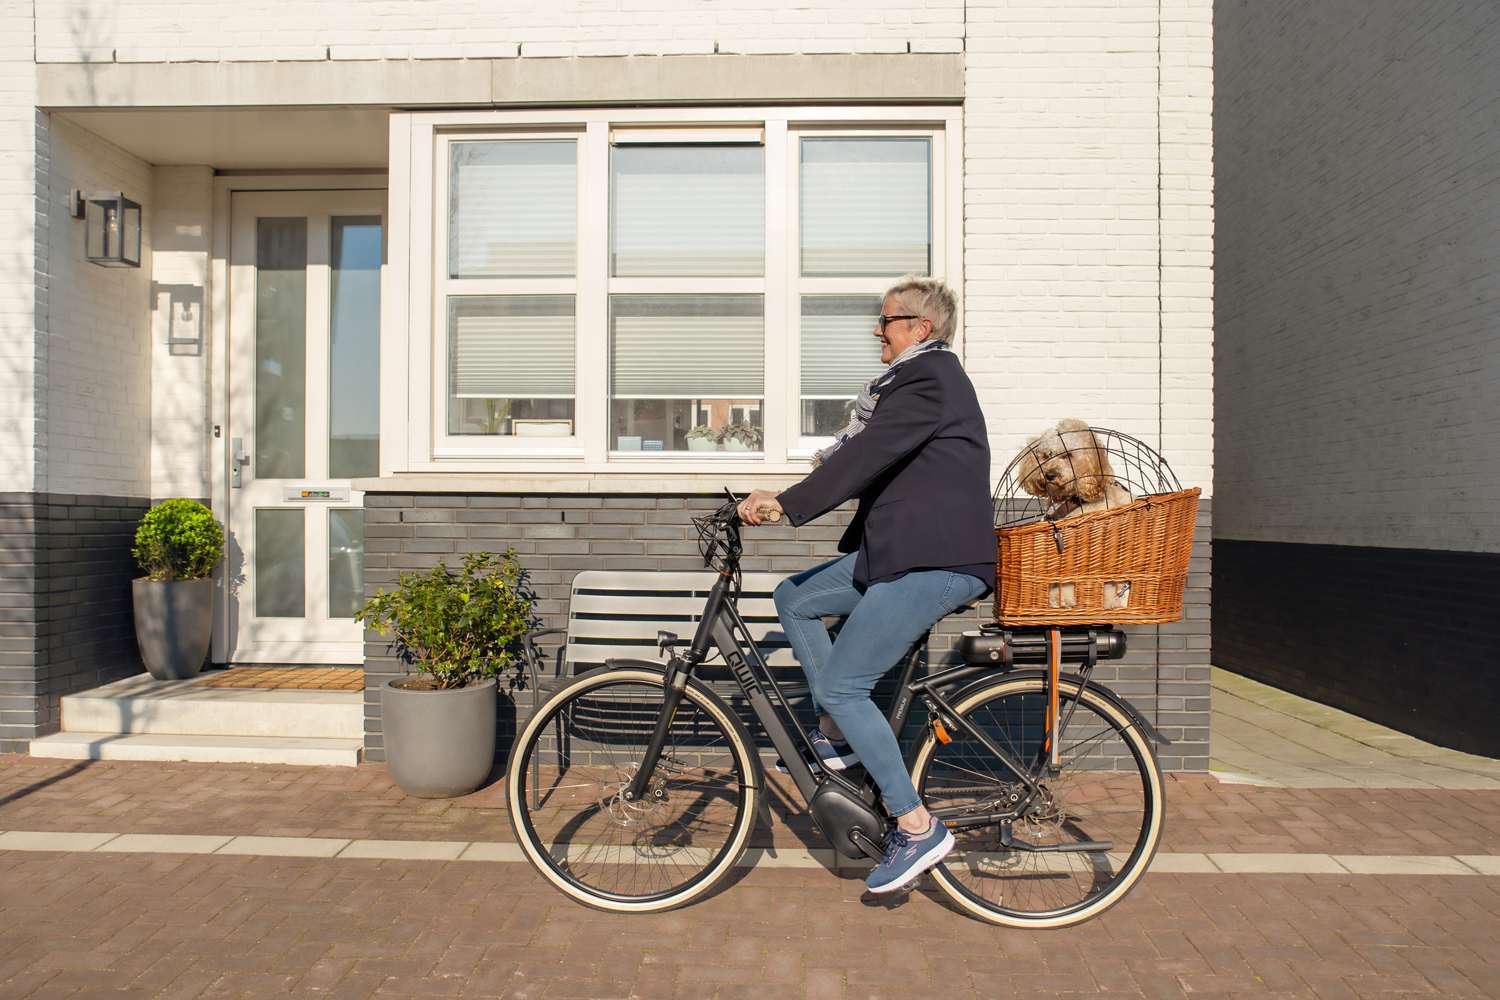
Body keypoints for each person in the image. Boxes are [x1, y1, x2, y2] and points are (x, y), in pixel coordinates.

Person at [737, 275, 997, 894]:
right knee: (794, 597)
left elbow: (868, 454)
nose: (876, 331)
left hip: (936, 561)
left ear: (919, 329)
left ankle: (915, 824)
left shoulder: (931, 378)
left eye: (886, 321)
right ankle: (838, 736)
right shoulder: (907, 386)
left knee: (845, 683)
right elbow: (861, 451)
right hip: (898, 555)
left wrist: (788, 503)